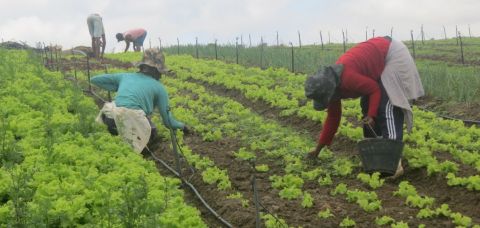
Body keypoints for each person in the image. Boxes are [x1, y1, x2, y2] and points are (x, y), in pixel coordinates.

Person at [304, 36, 424, 178]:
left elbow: (374, 89)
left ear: (329, 90)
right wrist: (318, 149)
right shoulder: (331, 86)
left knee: (387, 105)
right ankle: (376, 157)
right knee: (366, 105)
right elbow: (333, 118)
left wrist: (372, 115)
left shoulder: (347, 77)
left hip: (391, 54)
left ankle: (393, 162)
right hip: (378, 60)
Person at [91, 48, 190, 153]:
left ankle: (116, 141)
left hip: (109, 117)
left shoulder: (125, 76)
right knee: (152, 133)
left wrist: (118, 86)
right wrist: (183, 127)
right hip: (130, 118)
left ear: (142, 67)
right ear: (157, 70)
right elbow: (168, 122)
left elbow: (95, 79)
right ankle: (141, 155)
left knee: (115, 138)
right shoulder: (159, 88)